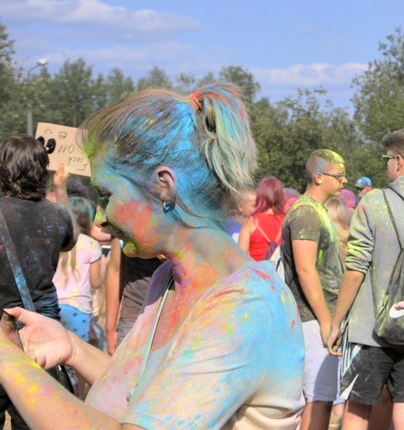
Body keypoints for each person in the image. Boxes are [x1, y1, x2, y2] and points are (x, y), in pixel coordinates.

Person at [0, 85, 304, 427]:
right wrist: (71, 347)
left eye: (107, 194)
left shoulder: (246, 305)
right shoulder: (170, 279)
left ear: (164, 186)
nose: (100, 217)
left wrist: (9, 360)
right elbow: (139, 398)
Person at [328, 127, 404, 430]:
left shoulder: (374, 203)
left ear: (398, 161)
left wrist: (336, 321)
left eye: (386, 159)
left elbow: (355, 270)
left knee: (357, 411)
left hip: (369, 329)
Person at [0, 136, 76, 428]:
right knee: (31, 419)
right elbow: (71, 241)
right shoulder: (57, 216)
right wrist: (61, 188)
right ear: (40, 169)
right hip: (42, 332)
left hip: (1, 332)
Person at [282, 149, 348, 430]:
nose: (345, 181)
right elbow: (305, 269)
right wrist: (325, 320)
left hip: (321, 318)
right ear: (318, 177)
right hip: (313, 319)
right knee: (318, 399)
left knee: (321, 398)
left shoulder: (316, 211)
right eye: (339, 175)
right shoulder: (306, 213)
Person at [54, 197, 106, 342]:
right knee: (76, 355)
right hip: (79, 308)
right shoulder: (90, 244)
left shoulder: (56, 240)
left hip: (52, 305)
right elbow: (96, 282)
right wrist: (105, 265)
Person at [238, 175, 288, 262]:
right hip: (280, 274)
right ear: (280, 196)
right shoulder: (287, 221)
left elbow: (240, 257)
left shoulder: (251, 222)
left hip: (257, 273)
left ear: (259, 195)